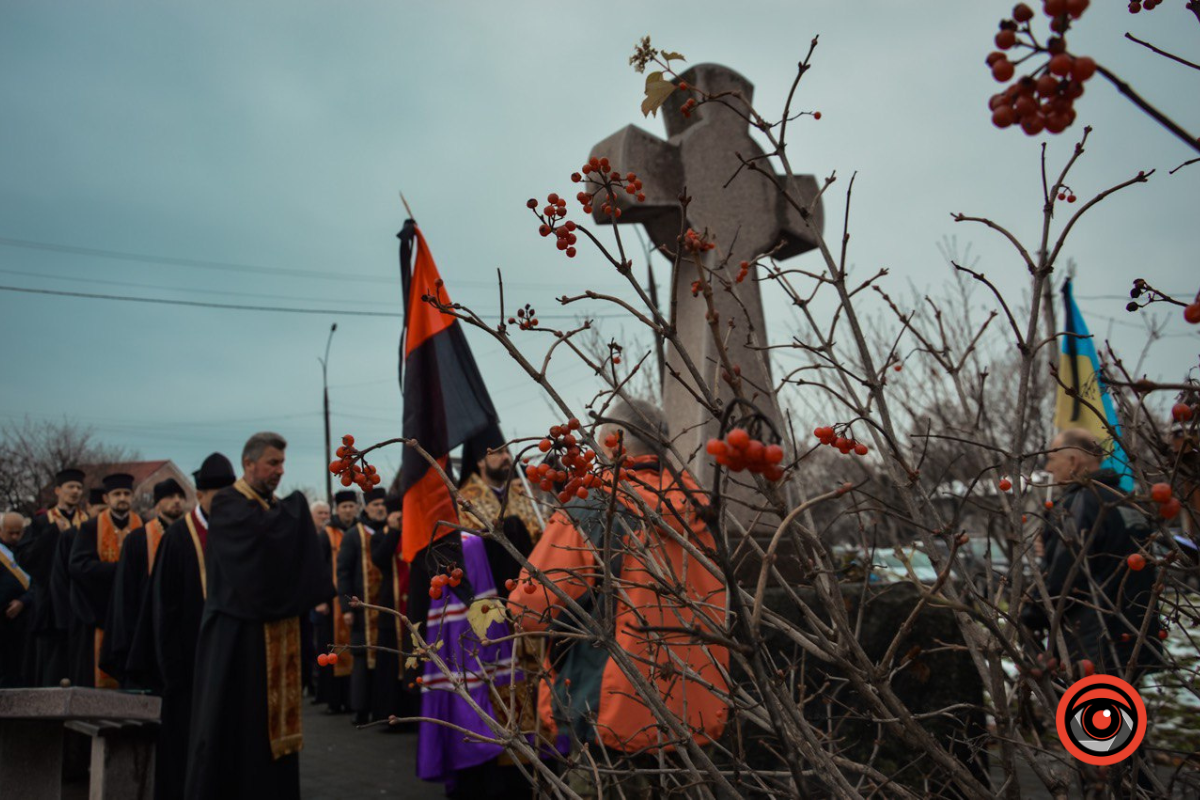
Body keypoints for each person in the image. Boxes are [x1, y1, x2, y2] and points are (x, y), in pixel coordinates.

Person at [506, 399, 729, 797]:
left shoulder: (596, 505)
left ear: (614, 441)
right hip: (694, 709)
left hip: (611, 714)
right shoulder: (701, 508)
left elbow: (529, 609)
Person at [184, 432, 332, 800]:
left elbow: (289, 544)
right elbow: (269, 547)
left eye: (282, 463)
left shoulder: (271, 506)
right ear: (248, 463)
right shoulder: (228, 504)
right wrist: (297, 511)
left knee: (272, 734)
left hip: (277, 634)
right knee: (239, 730)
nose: (280, 471)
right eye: (272, 463)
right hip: (238, 642)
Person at [1022, 429, 1163, 678]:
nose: (1049, 469)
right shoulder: (1129, 501)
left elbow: (1066, 575)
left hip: (1093, 643)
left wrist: (1031, 614)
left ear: (1073, 461)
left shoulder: (1078, 504)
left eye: (1052, 459)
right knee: (1122, 703)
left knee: (1088, 705)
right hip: (1134, 640)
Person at [150, 453, 235, 800]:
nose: (226, 504)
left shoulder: (238, 531)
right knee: (185, 746)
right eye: (218, 497)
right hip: (188, 664)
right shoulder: (178, 538)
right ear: (200, 495)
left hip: (229, 660)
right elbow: (164, 612)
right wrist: (172, 672)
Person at [101, 478, 188, 687]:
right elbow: (126, 592)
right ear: (157, 503)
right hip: (145, 628)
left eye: (180, 496)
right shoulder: (138, 539)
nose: (177, 501)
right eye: (170, 497)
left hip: (180, 628)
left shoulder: (187, 537)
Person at [68, 472, 142, 689]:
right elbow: (78, 566)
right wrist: (119, 570)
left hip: (133, 612)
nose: (122, 498)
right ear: (106, 498)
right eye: (117, 494)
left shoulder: (144, 526)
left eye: (126, 493)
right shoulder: (91, 528)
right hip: (101, 611)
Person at [15, 467, 86, 686]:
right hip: (49, 604)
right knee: (51, 664)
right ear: (58, 490)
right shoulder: (42, 522)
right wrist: (53, 533)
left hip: (79, 603)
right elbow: (25, 557)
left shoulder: (87, 522)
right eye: (70, 487)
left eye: (79, 487)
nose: (75, 491)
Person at [338, 487, 394, 725]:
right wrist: (346, 607)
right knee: (361, 656)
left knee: (385, 656)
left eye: (382, 504)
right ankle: (360, 708)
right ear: (366, 508)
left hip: (387, 605)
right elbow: (343, 572)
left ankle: (381, 707)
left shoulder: (391, 530)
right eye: (375, 505)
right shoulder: (354, 534)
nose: (380, 508)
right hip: (361, 606)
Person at [371, 494, 417, 730]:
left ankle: (414, 713)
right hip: (391, 607)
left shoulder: (415, 533)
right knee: (390, 664)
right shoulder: (380, 536)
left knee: (414, 658)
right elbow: (379, 559)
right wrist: (394, 531)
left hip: (413, 605)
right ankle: (390, 715)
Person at [315, 490, 356, 714]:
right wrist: (320, 599)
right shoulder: (326, 534)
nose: (348, 510)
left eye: (351, 506)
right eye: (344, 507)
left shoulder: (359, 530)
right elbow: (318, 568)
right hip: (330, 602)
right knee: (331, 648)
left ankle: (351, 699)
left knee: (353, 648)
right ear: (337, 510)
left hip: (353, 598)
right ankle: (333, 699)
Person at [1, 512, 33, 687]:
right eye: (10, 533)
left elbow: (38, 583)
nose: (15, 537)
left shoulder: (28, 550)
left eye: (18, 533)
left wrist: (23, 601)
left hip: (25, 616)